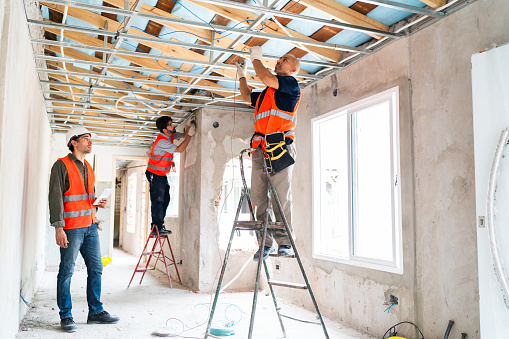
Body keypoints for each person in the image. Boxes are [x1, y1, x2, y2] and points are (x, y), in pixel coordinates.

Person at [48, 126, 119, 332]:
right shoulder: (61, 165)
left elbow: (85, 199)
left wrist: (98, 204)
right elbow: (56, 199)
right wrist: (58, 228)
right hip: (70, 229)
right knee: (67, 271)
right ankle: (66, 315)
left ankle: (95, 311)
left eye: (90, 139)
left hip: (90, 227)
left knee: (96, 269)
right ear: (74, 142)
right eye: (86, 139)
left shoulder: (88, 167)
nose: (90, 142)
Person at [235, 46, 301, 261]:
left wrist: (256, 59)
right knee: (258, 198)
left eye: (285, 59)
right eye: (280, 58)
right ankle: (265, 242)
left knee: (280, 197)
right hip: (260, 150)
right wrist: (242, 75)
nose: (280, 61)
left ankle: (285, 242)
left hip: (280, 148)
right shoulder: (265, 94)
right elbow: (246, 96)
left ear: (293, 70)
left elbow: (265, 76)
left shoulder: (291, 85)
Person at [146, 116, 195, 236]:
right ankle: (156, 227)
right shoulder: (162, 141)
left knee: (166, 199)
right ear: (164, 129)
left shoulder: (170, 136)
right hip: (155, 174)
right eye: (170, 124)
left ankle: (158, 224)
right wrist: (190, 136)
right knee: (158, 200)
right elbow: (180, 149)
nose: (173, 125)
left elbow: (182, 135)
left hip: (161, 174)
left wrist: (188, 126)